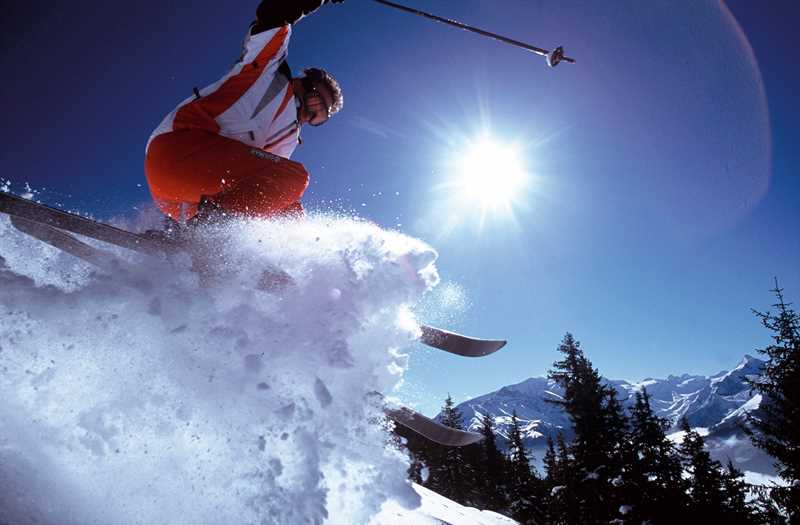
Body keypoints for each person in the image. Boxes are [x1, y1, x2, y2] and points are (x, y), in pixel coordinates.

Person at [144, 0, 344, 224]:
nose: (312, 115)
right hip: (179, 148)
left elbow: (263, 187)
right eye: (316, 103)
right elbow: (274, 13)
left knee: (290, 210)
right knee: (294, 176)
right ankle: (210, 228)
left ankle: (196, 235)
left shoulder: (288, 138)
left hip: (182, 198)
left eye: (320, 117)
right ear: (302, 83)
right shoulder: (268, 70)